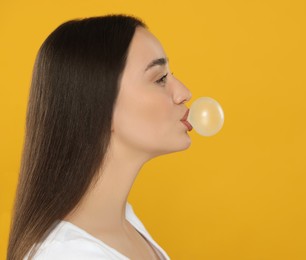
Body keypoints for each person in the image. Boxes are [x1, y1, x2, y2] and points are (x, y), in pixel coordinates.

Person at [7, 14, 192, 260]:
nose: (183, 93)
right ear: (100, 105)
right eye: (160, 79)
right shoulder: (68, 254)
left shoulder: (126, 222)